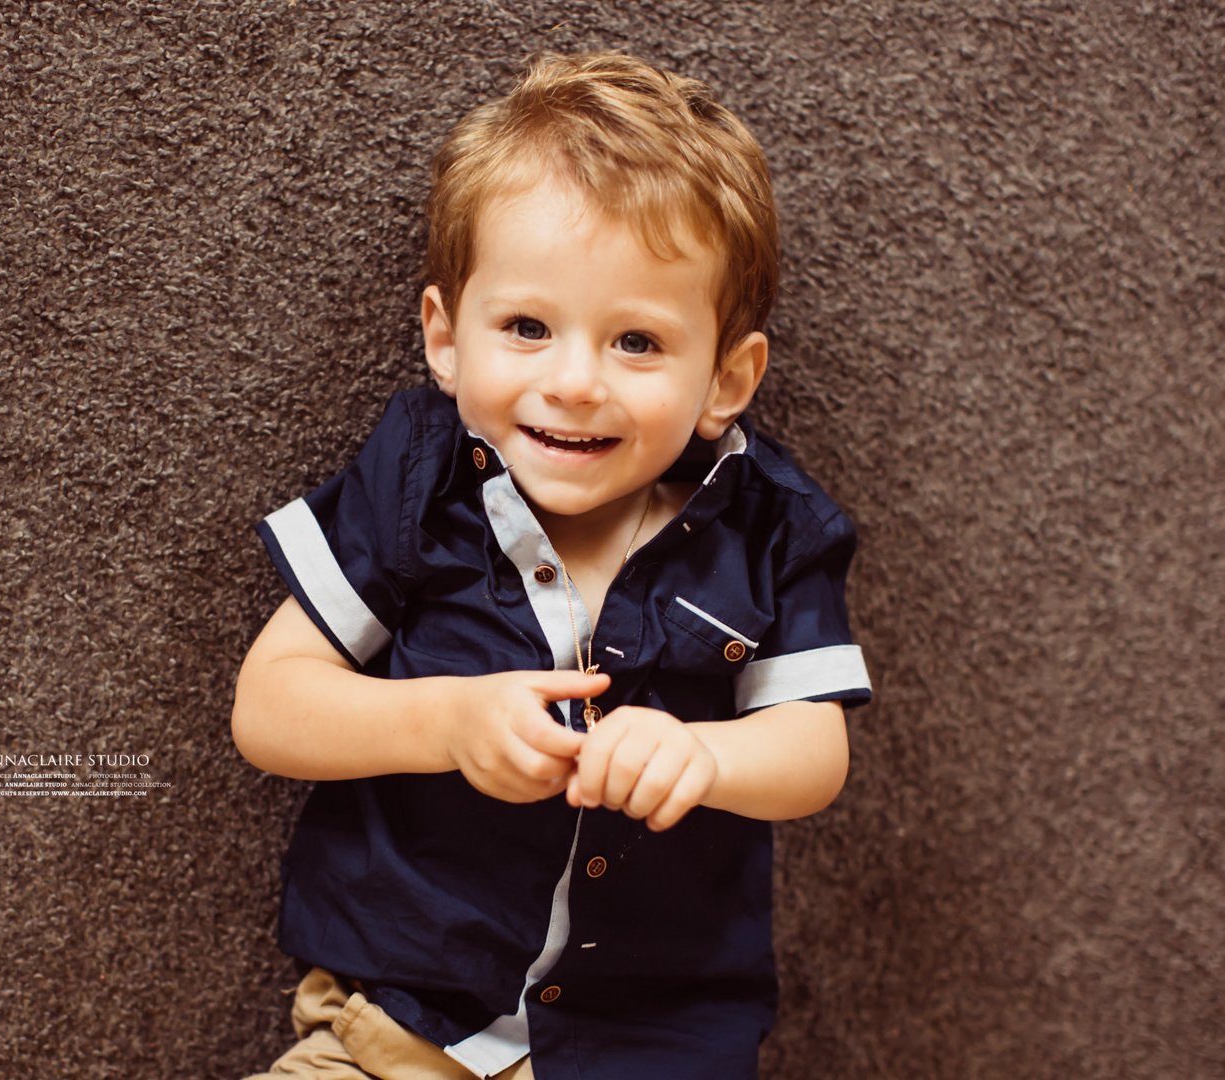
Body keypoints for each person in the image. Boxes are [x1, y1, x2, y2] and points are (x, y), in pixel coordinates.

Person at [233, 50, 872, 1080]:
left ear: (728, 377)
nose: (573, 382)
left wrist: (704, 758)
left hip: (654, 1043)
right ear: (445, 337)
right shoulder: (418, 480)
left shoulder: (773, 528)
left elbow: (813, 752)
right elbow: (270, 707)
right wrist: (444, 720)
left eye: (637, 343)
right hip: (398, 1026)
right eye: (527, 327)